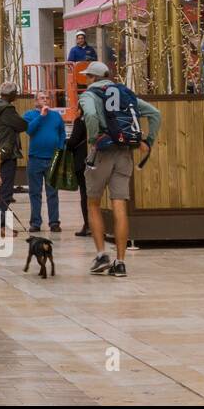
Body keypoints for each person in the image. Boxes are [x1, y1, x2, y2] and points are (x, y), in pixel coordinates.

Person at [79, 62, 161, 276]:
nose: (86, 80)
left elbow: (91, 116)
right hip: (125, 153)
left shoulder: (89, 95)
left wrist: (93, 138)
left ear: (93, 78)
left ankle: (101, 256)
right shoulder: (125, 94)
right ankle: (121, 262)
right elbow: (155, 114)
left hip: (101, 154)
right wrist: (148, 141)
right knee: (119, 205)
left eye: (87, 77)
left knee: (93, 204)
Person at [23, 91, 65, 232]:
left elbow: (61, 133)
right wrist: (41, 116)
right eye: (42, 98)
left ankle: (54, 222)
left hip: (52, 158)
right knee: (35, 192)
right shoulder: (29, 115)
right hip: (35, 159)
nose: (45, 100)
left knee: (52, 192)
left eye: (47, 98)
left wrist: (59, 149)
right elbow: (29, 130)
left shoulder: (56, 116)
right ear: (36, 101)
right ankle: (35, 222)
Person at [0, 82, 27, 227]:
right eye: (15, 93)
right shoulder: (7, 109)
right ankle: (0, 221)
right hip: (8, 152)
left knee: (1, 188)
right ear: (11, 95)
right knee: (6, 190)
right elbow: (22, 125)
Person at [67, 114, 90, 236]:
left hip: (82, 162)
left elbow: (73, 141)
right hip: (99, 160)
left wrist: (66, 144)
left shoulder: (80, 120)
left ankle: (88, 225)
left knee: (85, 193)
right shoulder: (101, 117)